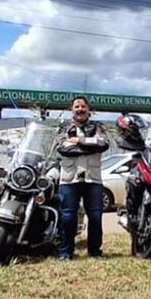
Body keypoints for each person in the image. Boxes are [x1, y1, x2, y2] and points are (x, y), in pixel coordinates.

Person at [55, 96, 109, 260]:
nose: (80, 109)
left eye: (83, 106)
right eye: (77, 106)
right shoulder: (64, 127)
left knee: (95, 217)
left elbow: (103, 144)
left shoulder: (99, 126)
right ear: (72, 109)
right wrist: (90, 146)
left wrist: (79, 141)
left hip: (93, 179)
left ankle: (95, 252)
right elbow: (62, 148)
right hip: (70, 179)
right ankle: (66, 252)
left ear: (88, 109)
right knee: (68, 217)